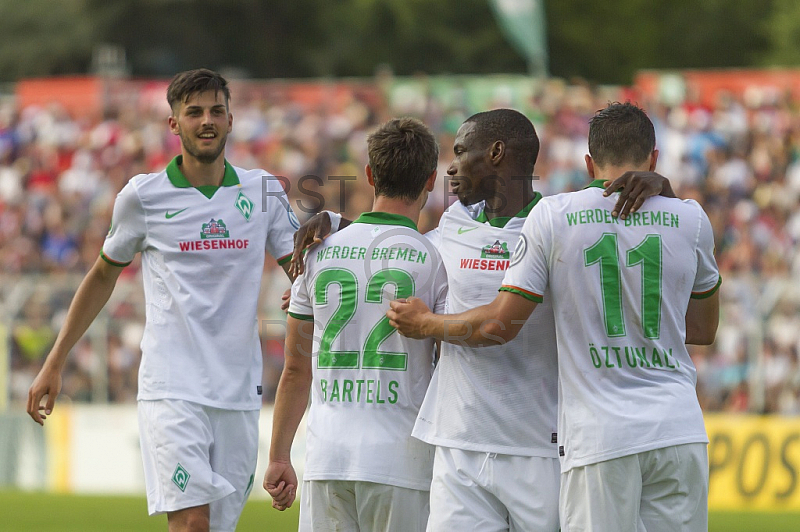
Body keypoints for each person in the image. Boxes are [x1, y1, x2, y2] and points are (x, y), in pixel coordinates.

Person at [290, 108, 674, 531]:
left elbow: (632, 249)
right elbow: (392, 248)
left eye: (459, 151)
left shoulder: (560, 227)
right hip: (459, 451)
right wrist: (338, 225)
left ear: (494, 153)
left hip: (542, 448)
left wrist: (663, 188)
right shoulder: (447, 231)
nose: (449, 167)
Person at [388, 102, 721, 532]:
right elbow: (702, 329)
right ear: (654, 160)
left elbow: (499, 324)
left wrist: (426, 324)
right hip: (678, 429)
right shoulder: (692, 218)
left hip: (599, 433)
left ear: (588, 162)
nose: (451, 168)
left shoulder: (555, 215)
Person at [27, 68, 299, 532]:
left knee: (215, 527)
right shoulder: (142, 197)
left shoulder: (264, 191)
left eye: (216, 110)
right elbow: (100, 278)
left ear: (232, 120)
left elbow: (303, 269)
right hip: (172, 387)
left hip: (238, 390)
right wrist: (55, 359)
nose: (206, 121)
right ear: (174, 125)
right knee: (192, 523)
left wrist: (305, 283)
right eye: (194, 112)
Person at [264, 117, 448, 531]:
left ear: (369, 173)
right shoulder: (437, 258)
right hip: (401, 460)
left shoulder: (315, 252)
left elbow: (296, 369)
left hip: (327, 458)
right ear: (431, 180)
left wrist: (278, 456)